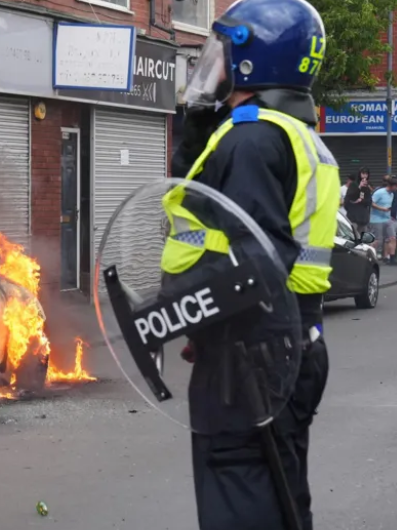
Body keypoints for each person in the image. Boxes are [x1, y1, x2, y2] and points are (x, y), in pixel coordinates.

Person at [166, 0, 335, 528]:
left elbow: (257, 264)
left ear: (252, 62)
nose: (211, 65)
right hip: (284, 345)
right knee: (280, 497)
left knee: (241, 504)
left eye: (224, 51)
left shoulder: (251, 139)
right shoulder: (293, 135)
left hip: (247, 362)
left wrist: (174, 314)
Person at [370, 178, 397, 264]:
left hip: (388, 219)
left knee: (392, 238)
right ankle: (372, 256)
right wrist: (382, 209)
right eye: (396, 186)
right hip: (376, 219)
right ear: (391, 186)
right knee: (378, 240)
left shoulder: (392, 194)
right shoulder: (379, 192)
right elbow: (371, 202)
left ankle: (392, 258)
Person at [345, 169, 373, 234]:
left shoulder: (367, 186)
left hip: (363, 217)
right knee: (353, 235)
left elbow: (369, 201)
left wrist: (362, 200)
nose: (365, 176)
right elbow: (349, 197)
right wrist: (359, 187)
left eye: (366, 174)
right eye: (363, 173)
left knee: (362, 237)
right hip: (353, 216)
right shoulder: (353, 185)